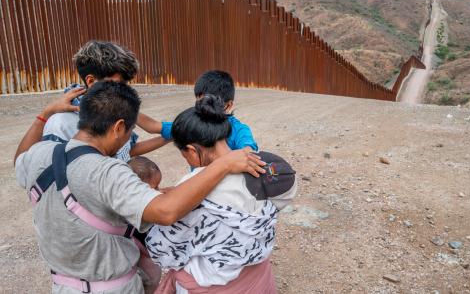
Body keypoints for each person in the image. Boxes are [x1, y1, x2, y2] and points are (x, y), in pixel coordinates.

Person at [14, 81, 266, 293]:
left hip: (62, 286)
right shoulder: (109, 172)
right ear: (119, 127)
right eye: (129, 131)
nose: (128, 140)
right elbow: (166, 213)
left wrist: (44, 115)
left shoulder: (41, 154)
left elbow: (19, 159)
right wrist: (223, 165)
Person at [146, 95, 297, 294]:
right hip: (257, 275)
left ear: (191, 150)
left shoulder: (192, 188)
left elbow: (162, 250)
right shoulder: (259, 165)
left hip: (212, 283)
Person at [43, 40, 173, 161]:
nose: (123, 90)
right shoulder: (61, 124)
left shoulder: (114, 107)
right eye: (117, 84)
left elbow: (127, 151)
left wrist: (171, 136)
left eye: (125, 84)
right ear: (91, 81)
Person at [194, 70, 258, 151]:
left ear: (228, 105)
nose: (204, 107)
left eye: (211, 103)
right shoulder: (193, 121)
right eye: (200, 102)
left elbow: (248, 149)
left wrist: (246, 151)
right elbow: (175, 127)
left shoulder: (237, 129)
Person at [128, 156, 164, 293]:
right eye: (153, 188)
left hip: (143, 251)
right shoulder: (132, 209)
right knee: (151, 276)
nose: (157, 191)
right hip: (137, 252)